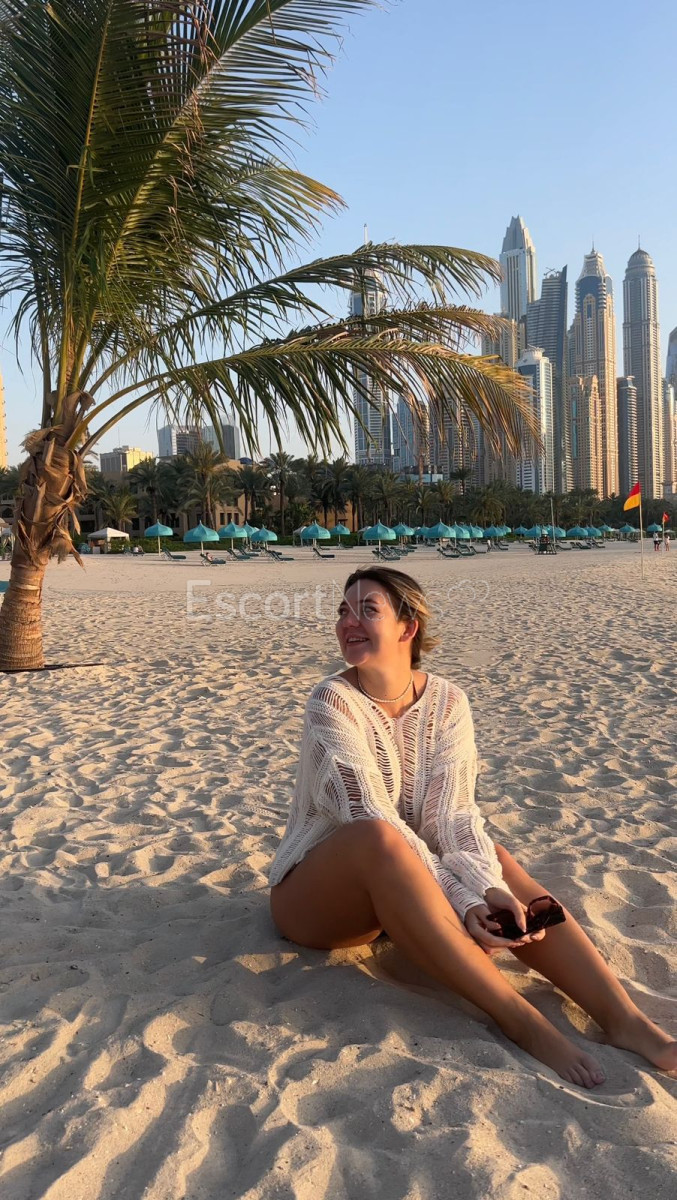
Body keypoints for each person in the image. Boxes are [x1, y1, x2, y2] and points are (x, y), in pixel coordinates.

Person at [269, 566, 677, 1088]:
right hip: (318, 901)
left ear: (408, 627)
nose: (348, 622)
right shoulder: (332, 702)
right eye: (343, 611)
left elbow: (453, 815)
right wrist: (464, 900)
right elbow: (370, 814)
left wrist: (488, 888)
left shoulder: (448, 702)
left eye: (367, 610)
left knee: (497, 859)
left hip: (404, 893)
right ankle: (521, 1021)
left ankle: (625, 1021)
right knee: (381, 837)